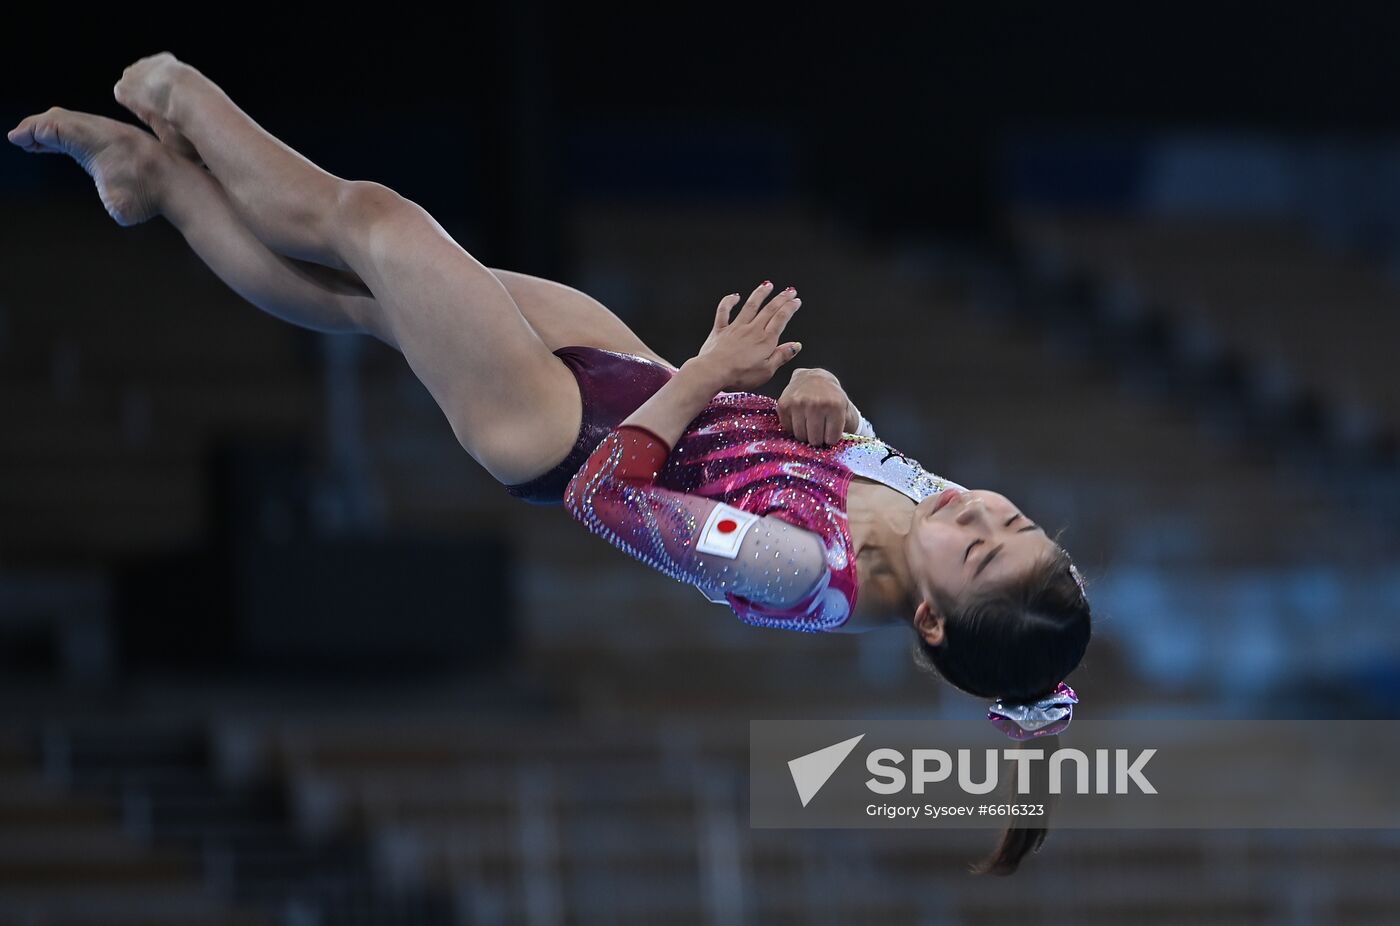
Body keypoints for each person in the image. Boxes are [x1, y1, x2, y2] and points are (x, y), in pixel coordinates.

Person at [7, 52, 1091, 874]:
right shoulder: (937, 506)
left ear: (930, 619)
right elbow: (830, 435)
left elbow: (603, 495)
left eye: (980, 548)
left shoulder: (801, 575)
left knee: (375, 226)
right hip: (633, 377)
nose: (977, 512)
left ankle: (181, 96)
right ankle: (153, 179)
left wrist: (710, 371)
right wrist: (820, 387)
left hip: (551, 433)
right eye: (1014, 519)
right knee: (358, 300)